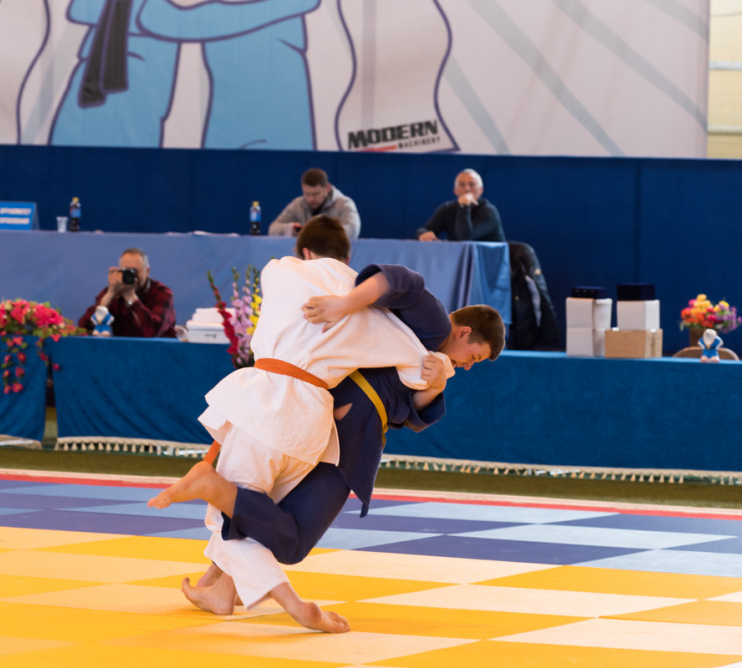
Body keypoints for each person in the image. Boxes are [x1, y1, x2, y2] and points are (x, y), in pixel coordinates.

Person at [151, 215, 451, 632]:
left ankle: (294, 605)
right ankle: (218, 592)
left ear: (306, 251)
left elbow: (279, 274)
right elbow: (417, 364)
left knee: (226, 506)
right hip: (311, 425)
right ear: (348, 256)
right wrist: (441, 373)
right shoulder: (370, 309)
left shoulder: (282, 270)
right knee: (252, 510)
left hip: (266, 403)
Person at [150, 303, 503, 617]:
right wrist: (346, 302)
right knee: (292, 538)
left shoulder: (430, 356)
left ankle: (221, 589)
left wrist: (437, 386)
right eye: (474, 357)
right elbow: (395, 285)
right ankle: (213, 493)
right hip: (336, 435)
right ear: (464, 332)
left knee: (262, 508)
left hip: (327, 425)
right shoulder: (408, 323)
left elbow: (410, 413)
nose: (468, 366)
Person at [77, 248, 176, 337]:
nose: (131, 275)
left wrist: (130, 296)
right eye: (126, 271)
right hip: (124, 349)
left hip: (159, 349)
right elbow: (83, 328)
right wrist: (109, 295)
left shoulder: (162, 293)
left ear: (147, 271)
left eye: (135, 271)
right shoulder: (114, 292)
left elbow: (153, 332)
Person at [268, 168, 361, 239]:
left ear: (327, 188)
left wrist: (323, 231)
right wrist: (289, 229)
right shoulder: (297, 204)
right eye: (307, 194)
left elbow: (353, 231)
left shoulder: (344, 204)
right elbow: (272, 229)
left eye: (315, 194)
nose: (311, 199)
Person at [417, 168, 505, 242]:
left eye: (472, 184)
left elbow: (465, 238)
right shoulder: (448, 208)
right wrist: (423, 234)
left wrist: (463, 206)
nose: (467, 189)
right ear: (455, 190)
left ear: (481, 190)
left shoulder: (489, 211)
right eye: (462, 185)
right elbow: (425, 229)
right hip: (459, 256)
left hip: (487, 257)